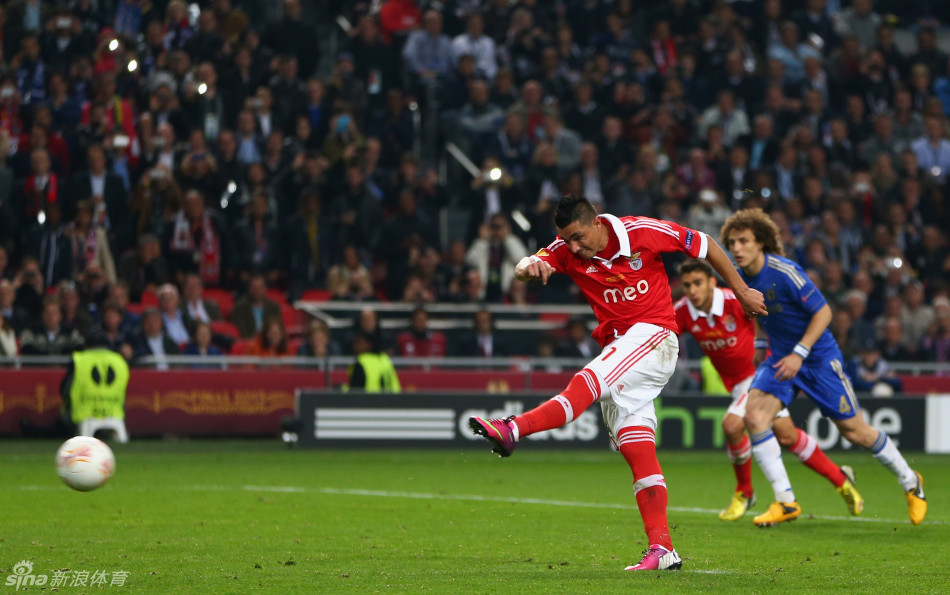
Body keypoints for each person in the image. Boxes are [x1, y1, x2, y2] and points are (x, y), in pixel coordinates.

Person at [469, 194, 767, 572]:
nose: (574, 247)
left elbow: (705, 244)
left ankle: (514, 428)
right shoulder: (566, 249)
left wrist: (741, 291)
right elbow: (527, 267)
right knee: (635, 448)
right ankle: (663, 549)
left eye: (578, 237)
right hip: (622, 352)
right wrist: (527, 265)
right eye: (566, 240)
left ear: (596, 223)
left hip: (655, 336)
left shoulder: (641, 231)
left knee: (588, 379)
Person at [721, 208, 926, 526]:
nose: (736, 248)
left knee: (855, 431)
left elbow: (824, 313)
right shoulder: (739, 277)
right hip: (780, 358)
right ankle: (786, 502)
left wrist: (800, 353)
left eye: (743, 241)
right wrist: (762, 349)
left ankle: (911, 482)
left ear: (760, 242)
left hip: (816, 358)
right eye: (732, 242)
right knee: (755, 416)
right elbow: (760, 317)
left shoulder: (785, 272)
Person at [674, 259, 862, 521]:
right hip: (737, 384)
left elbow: (771, 322)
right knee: (786, 436)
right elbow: (664, 334)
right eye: (687, 285)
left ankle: (746, 492)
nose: (693, 290)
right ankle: (841, 479)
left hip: (760, 376)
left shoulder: (734, 301)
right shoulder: (682, 311)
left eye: (698, 283)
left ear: (712, 282)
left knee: (731, 426)